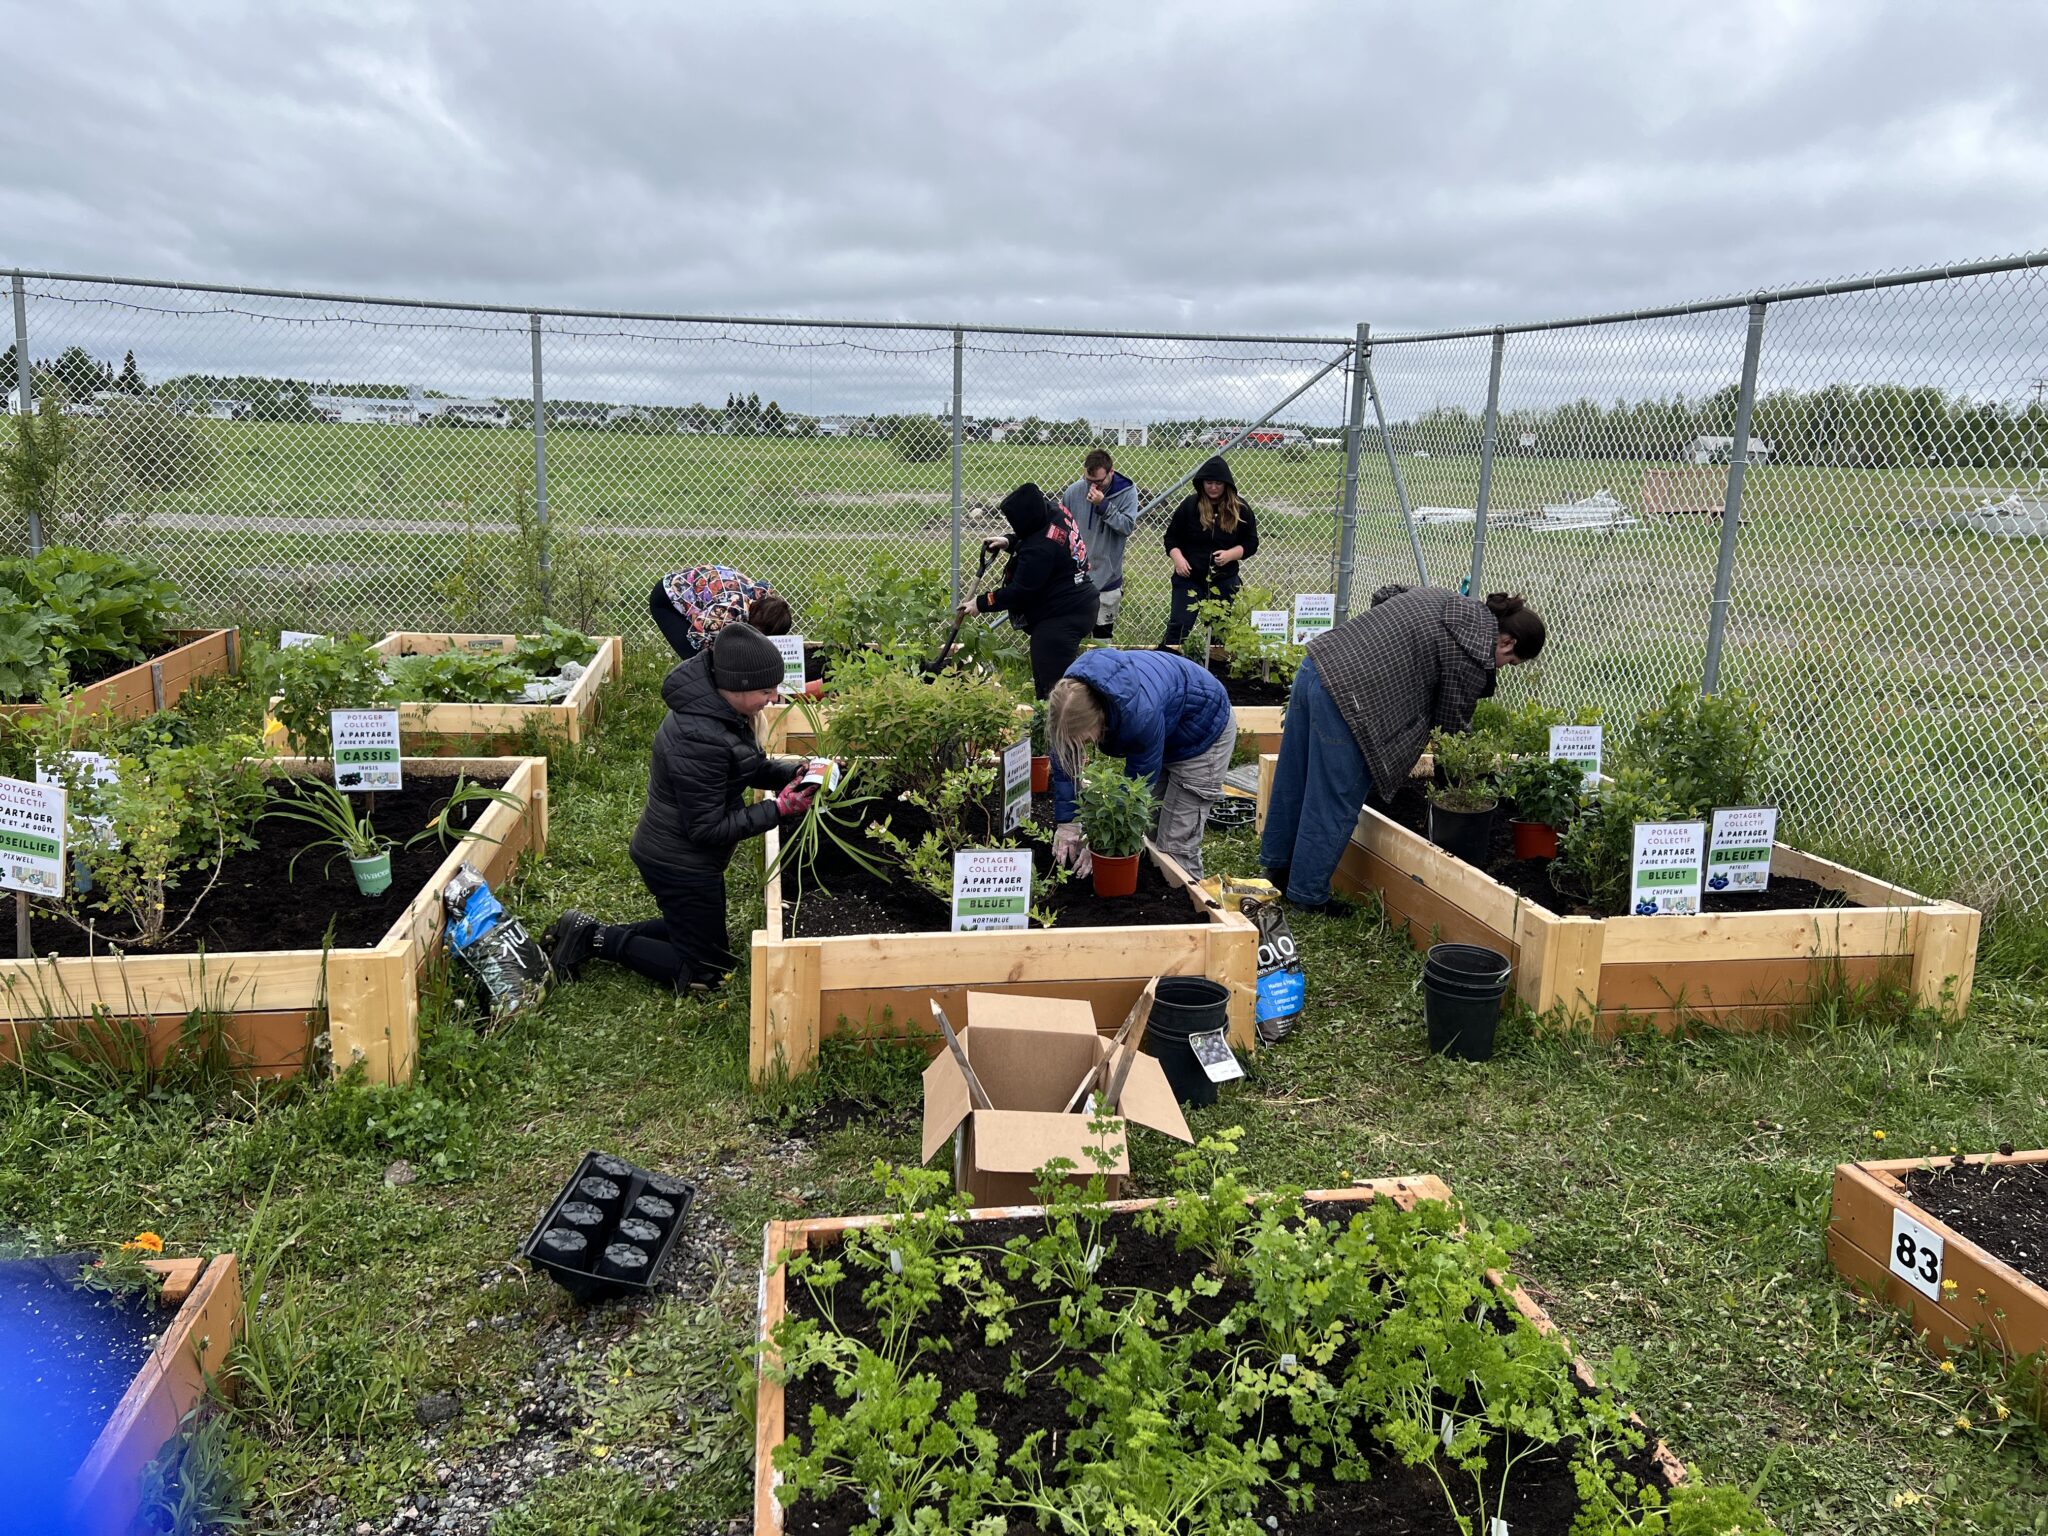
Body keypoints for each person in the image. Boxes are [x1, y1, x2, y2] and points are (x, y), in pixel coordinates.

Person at [546, 623, 826, 990]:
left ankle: (584, 930)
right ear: (737, 686)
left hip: (688, 858)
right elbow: (707, 829)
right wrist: (779, 810)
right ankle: (595, 939)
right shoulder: (699, 736)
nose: (774, 698)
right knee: (708, 974)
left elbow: (746, 766)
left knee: (702, 942)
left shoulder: (721, 711)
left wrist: (792, 774)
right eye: (765, 690)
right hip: (678, 862)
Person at [1260, 585, 1546, 913]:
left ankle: (1277, 869)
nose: (1503, 666)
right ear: (1506, 641)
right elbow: (1451, 732)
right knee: (1333, 798)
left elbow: (1385, 594)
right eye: (1510, 660)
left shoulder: (1449, 600)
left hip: (1317, 665)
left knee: (1294, 776)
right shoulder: (1471, 654)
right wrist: (1452, 789)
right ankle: (1307, 897)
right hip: (1350, 701)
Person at [1045, 648, 1236, 880]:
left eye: (1085, 741)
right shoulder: (1071, 697)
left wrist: (1101, 844)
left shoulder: (1138, 714)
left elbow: (1135, 787)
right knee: (1152, 831)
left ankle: (1189, 904)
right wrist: (1068, 823)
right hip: (1167, 723)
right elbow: (1065, 756)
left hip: (1203, 728)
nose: (1082, 747)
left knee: (1175, 845)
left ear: (1100, 720)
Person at [959, 482, 1099, 698]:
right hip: (1079, 602)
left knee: (1053, 689)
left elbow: (1019, 591)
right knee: (1062, 680)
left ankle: (1055, 726)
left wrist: (980, 603)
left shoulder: (1040, 549)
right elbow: (1037, 538)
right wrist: (1009, 541)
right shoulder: (1054, 511)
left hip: (1061, 616)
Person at [1159, 455, 1259, 648]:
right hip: (1189, 576)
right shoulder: (1190, 506)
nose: (1213, 488)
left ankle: (1215, 669)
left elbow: (1251, 543)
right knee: (1179, 626)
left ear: (1226, 485)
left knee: (1220, 631)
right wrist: (1178, 559)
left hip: (1223, 578)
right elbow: (1171, 538)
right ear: (1201, 483)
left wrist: (1231, 554)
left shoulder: (1240, 509)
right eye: (1209, 483)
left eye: (1218, 484)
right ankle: (1166, 662)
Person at [1060, 448, 1141, 640]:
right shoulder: (1073, 492)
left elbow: (1127, 527)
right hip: (1076, 577)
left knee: (1102, 636)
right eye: (1089, 480)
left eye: (1099, 482)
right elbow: (1063, 529)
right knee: (1073, 633)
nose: (1093, 486)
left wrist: (1103, 506)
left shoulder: (1127, 492)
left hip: (1107, 577)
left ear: (1111, 472)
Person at [650, 564, 793, 662]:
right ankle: (696, 702)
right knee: (698, 661)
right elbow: (696, 634)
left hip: (698, 594)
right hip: (668, 598)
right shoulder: (732, 610)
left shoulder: (760, 597)